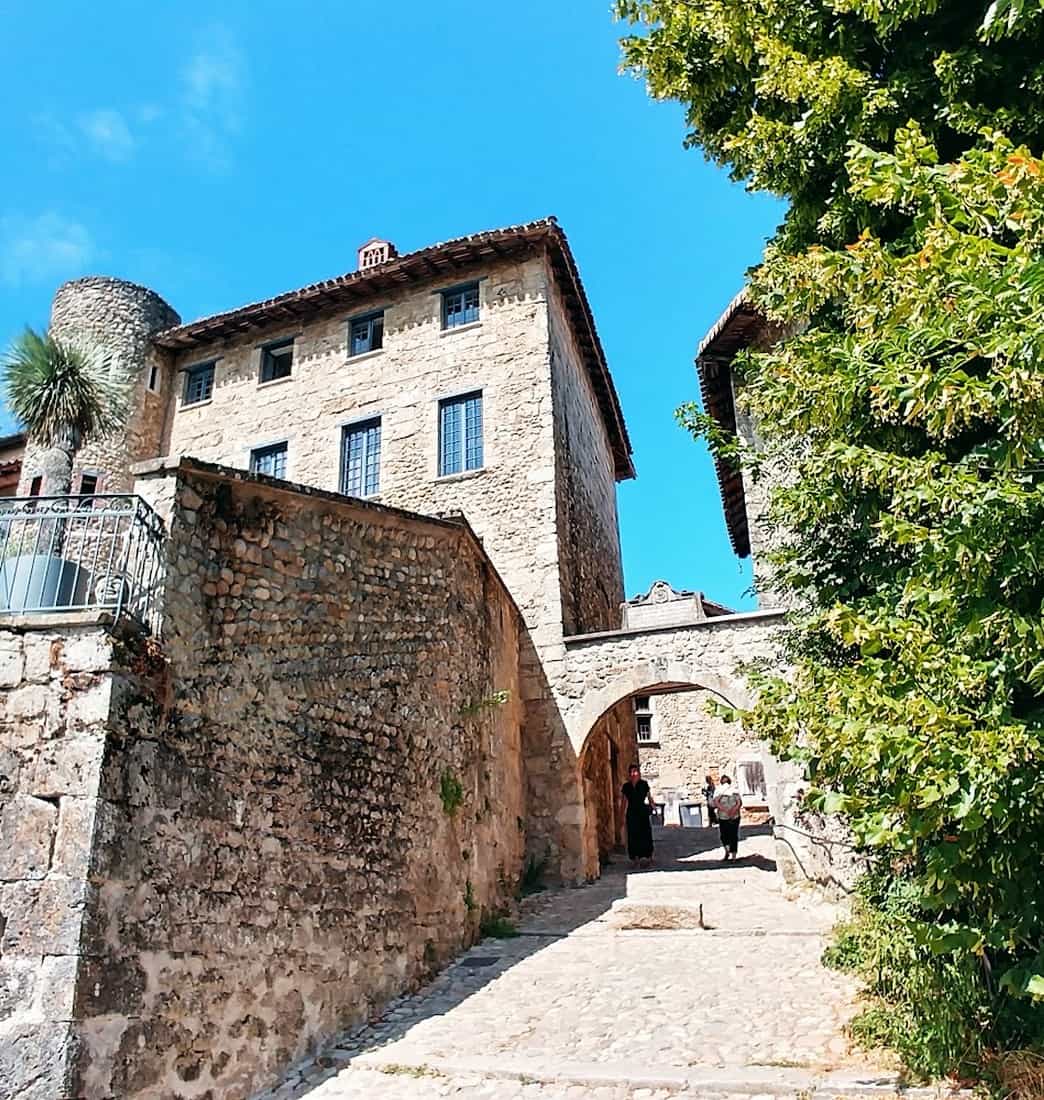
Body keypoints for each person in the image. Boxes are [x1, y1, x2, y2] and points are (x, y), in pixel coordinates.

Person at [621, 763, 655, 867]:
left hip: (642, 812)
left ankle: (648, 857)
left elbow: (649, 797)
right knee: (633, 835)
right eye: (631, 772)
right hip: (631, 813)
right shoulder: (626, 786)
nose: (633, 774)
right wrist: (621, 815)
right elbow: (624, 801)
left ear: (639, 773)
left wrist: (653, 807)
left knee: (645, 834)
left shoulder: (644, 784)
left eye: (635, 771)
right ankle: (635, 858)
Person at [713, 775, 743, 861]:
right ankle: (727, 851)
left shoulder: (734, 790)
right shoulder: (719, 790)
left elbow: (739, 802)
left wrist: (731, 811)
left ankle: (733, 855)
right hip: (724, 816)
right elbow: (716, 802)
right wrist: (727, 810)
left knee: (732, 835)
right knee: (725, 835)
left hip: (733, 816)